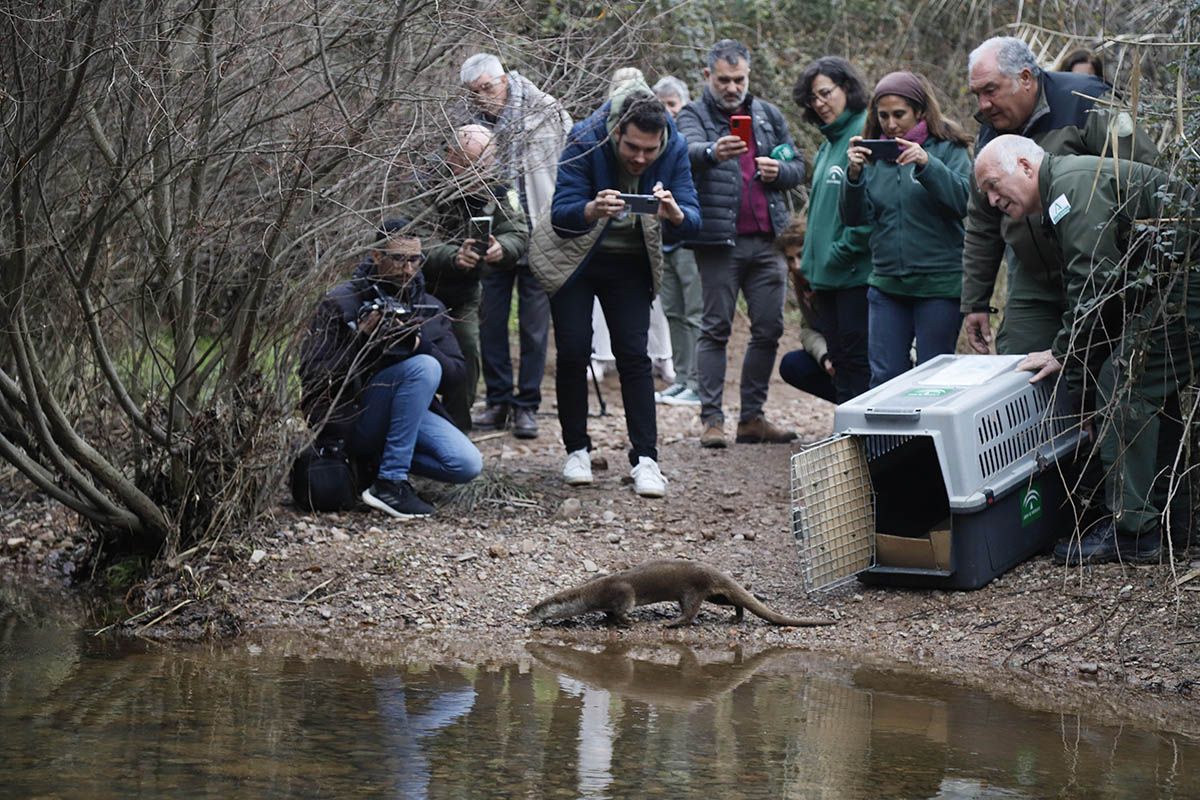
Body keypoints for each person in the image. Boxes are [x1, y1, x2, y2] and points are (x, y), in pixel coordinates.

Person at [974, 135, 1199, 564]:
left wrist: (1067, 358)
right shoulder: (1063, 190)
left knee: (1126, 382)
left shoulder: (1072, 186)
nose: (990, 199)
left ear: (1024, 165)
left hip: (1189, 278)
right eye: (984, 192)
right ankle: (1175, 518)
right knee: (1151, 383)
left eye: (992, 184)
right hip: (1177, 282)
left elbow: (1093, 282)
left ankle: (1135, 531)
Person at [528, 82, 700, 497]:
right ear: (616, 133)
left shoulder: (673, 146)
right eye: (632, 149)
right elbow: (562, 214)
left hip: (630, 262)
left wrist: (675, 213)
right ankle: (577, 450)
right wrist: (592, 208)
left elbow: (694, 219)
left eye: (649, 151)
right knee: (572, 350)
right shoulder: (586, 137)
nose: (641, 158)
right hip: (577, 258)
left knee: (634, 357)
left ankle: (646, 459)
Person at [961, 36, 1158, 357]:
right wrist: (976, 302)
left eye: (991, 90)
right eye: (977, 94)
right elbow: (982, 221)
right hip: (1033, 277)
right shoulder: (989, 130)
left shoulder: (1087, 100)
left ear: (1025, 78)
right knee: (1017, 367)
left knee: (1104, 368)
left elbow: (1143, 178)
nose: (982, 105)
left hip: (1103, 269)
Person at [299, 219, 483, 519]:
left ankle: (379, 466)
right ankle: (390, 483)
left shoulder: (428, 308)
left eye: (414, 260)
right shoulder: (341, 301)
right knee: (422, 368)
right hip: (353, 414)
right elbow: (312, 373)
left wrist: (417, 343)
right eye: (398, 258)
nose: (407, 269)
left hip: (406, 413)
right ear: (376, 256)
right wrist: (359, 339)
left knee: (465, 464)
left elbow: (456, 377)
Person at [676, 39, 805, 448]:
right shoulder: (694, 114)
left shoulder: (767, 115)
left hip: (769, 241)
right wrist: (715, 151)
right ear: (707, 76)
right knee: (715, 328)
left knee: (769, 329)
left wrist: (778, 170)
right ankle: (711, 419)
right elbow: (685, 151)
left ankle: (752, 418)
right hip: (718, 241)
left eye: (740, 79)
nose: (732, 88)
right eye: (724, 80)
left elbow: (799, 166)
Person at [460, 53, 571, 439]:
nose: (481, 98)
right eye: (474, 92)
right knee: (490, 321)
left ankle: (527, 406)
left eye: (487, 88)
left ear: (504, 80)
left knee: (535, 328)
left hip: (539, 229)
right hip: (490, 232)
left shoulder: (544, 110)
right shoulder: (465, 119)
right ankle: (497, 401)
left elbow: (567, 165)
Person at [842, 71, 972, 387]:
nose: (890, 124)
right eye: (883, 115)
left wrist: (927, 165)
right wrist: (855, 175)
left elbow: (966, 202)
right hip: (887, 284)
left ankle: (927, 439)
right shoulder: (874, 157)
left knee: (932, 380)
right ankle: (889, 439)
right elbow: (853, 218)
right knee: (885, 378)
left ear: (920, 111)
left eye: (898, 114)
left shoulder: (948, 148)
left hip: (939, 283)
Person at [421, 125, 528, 432]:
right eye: (467, 165)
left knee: (467, 351)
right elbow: (411, 238)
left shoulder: (500, 187)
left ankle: (455, 430)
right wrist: (453, 256)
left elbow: (518, 232)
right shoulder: (424, 182)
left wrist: (501, 249)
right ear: (451, 156)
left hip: (464, 290)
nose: (476, 173)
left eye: (483, 165)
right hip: (419, 287)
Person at [793, 56, 873, 403]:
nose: (820, 104)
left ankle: (869, 447)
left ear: (847, 89)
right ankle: (847, 443)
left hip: (853, 276)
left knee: (858, 365)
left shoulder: (863, 131)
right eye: (813, 98)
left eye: (826, 93)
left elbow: (873, 206)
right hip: (826, 278)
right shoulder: (828, 144)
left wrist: (842, 250)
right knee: (839, 364)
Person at [650, 75, 704, 407]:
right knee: (673, 311)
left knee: (695, 312)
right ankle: (681, 379)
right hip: (663, 239)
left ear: (683, 105)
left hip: (692, 240)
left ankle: (699, 384)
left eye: (672, 105)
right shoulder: (654, 145)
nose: (667, 112)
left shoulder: (690, 142)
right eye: (661, 105)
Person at [775, 216, 836, 404]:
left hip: (857, 354)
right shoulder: (801, 283)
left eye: (801, 255)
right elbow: (807, 330)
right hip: (832, 354)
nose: (797, 266)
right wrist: (825, 356)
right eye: (790, 259)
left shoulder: (833, 274)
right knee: (792, 365)